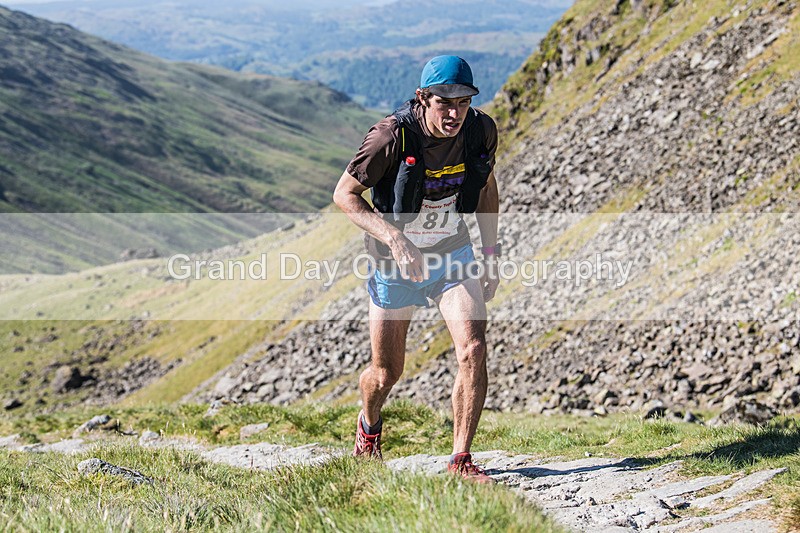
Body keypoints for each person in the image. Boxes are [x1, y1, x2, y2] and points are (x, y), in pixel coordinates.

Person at [332, 55, 500, 483]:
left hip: (451, 253)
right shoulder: (389, 137)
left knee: (473, 348)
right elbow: (345, 195)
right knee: (386, 373)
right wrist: (394, 237)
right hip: (394, 263)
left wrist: (492, 254)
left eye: (462, 102)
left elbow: (486, 189)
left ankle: (461, 460)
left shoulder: (480, 131)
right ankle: (368, 428)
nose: (453, 113)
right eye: (444, 102)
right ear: (424, 98)